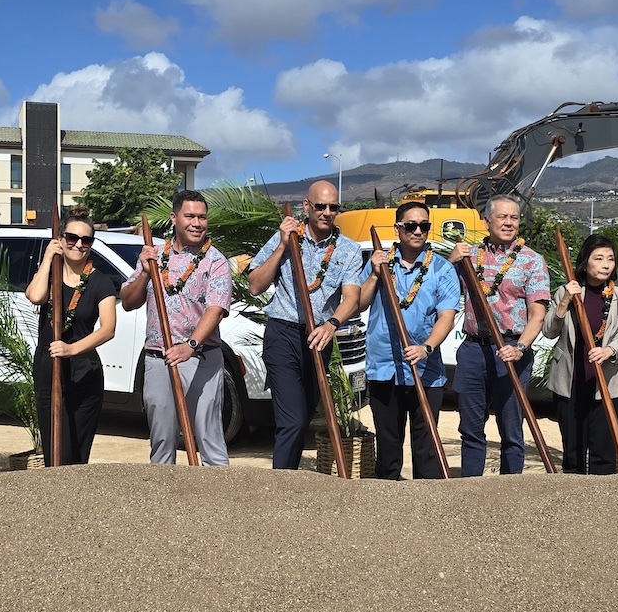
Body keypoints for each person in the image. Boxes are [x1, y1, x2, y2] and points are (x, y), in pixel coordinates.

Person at [247, 180, 364, 470]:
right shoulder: (285, 237)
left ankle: (290, 475)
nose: (327, 212)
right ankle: (281, 481)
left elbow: (352, 297)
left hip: (319, 337)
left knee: (304, 416)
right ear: (307, 206)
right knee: (292, 419)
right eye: (320, 206)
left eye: (333, 207)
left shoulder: (347, 250)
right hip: (283, 334)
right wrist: (282, 247)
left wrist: (332, 324)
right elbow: (254, 286)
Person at [120, 191, 232, 465]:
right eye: (190, 216)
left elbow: (215, 309)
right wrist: (146, 271)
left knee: (209, 441)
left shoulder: (215, 261)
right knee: (162, 442)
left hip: (200, 358)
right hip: (157, 359)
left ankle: (221, 503)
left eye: (202, 217)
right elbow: (127, 301)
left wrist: (189, 346)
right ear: (174, 218)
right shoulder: (154, 255)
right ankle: (165, 503)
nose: (197, 223)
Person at [356, 202, 461, 479]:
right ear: (397, 228)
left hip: (425, 372)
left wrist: (426, 348)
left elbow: (446, 317)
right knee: (388, 446)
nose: (418, 231)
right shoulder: (379, 262)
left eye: (424, 226)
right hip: (384, 367)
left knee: (426, 450)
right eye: (411, 225)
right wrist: (375, 275)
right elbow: (360, 304)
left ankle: (425, 511)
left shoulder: (441, 268)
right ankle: (388, 510)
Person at [448, 194, 549, 476]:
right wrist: (451, 261)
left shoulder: (532, 261)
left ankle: (509, 494)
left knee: (511, 430)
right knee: (470, 429)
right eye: (502, 217)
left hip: (512, 350)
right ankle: (469, 489)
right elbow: (441, 289)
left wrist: (520, 347)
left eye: (514, 218)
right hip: (473, 350)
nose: (508, 223)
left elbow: (537, 314)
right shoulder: (468, 256)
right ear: (487, 221)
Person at [26, 208, 119, 465]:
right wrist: (47, 259)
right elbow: (35, 296)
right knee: (53, 453)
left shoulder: (100, 282)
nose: (78, 244)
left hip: (83, 370)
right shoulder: (50, 273)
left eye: (86, 240)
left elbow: (108, 328)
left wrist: (71, 350)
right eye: (71, 238)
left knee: (73, 456)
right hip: (47, 364)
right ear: (60, 239)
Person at [542, 234, 618, 475]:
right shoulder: (566, 291)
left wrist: (609, 350)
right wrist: (564, 302)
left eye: (611, 259)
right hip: (570, 382)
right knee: (572, 450)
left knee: (603, 451)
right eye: (599, 258)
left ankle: (599, 504)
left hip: (608, 381)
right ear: (585, 262)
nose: (606, 264)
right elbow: (549, 331)